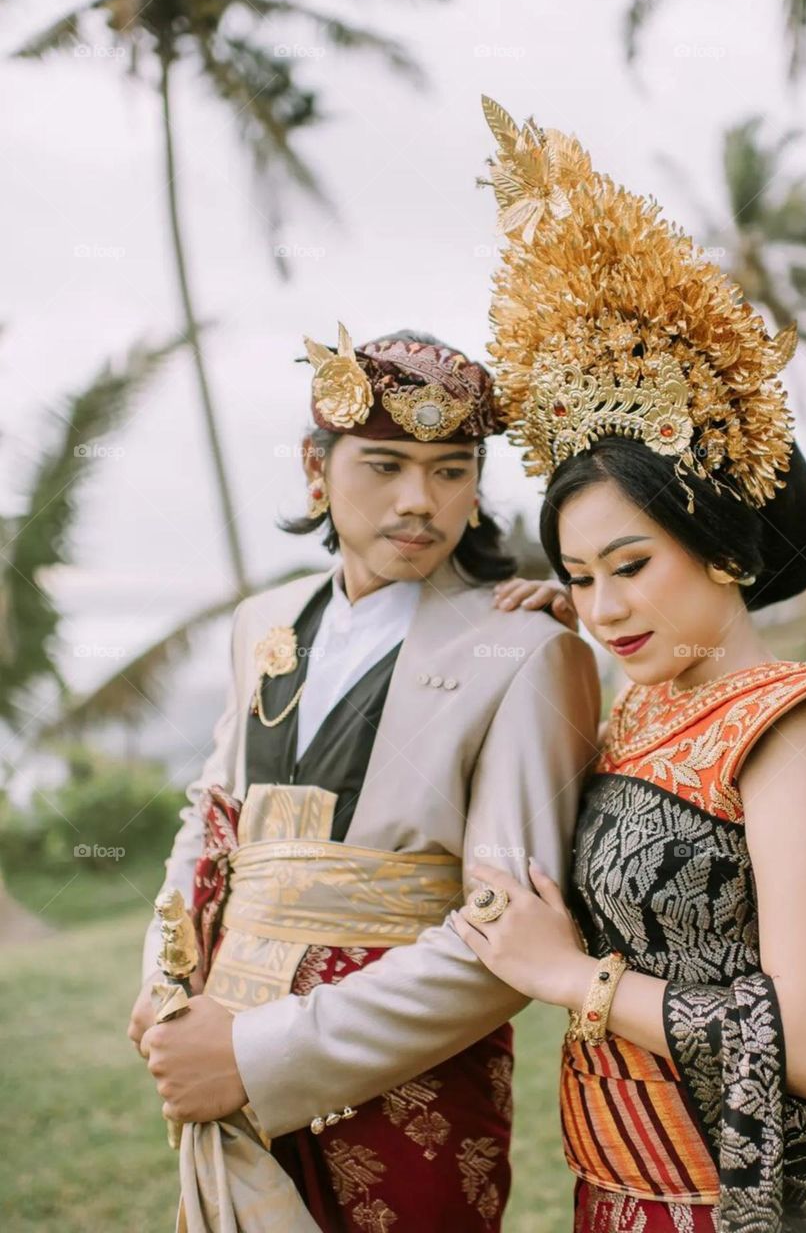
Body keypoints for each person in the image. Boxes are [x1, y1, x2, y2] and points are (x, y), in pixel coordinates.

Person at [453, 98, 806, 1233]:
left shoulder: (787, 736)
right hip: (611, 1190)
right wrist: (540, 626)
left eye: (628, 563)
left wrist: (563, 976)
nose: (604, 604)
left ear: (724, 547)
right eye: (578, 574)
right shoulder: (629, 713)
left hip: (741, 1202)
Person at [127, 324, 599, 1231]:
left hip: (406, 1091)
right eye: (383, 465)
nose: (419, 501)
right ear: (317, 469)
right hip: (220, 1032)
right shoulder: (261, 624)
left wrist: (258, 1055)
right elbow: (209, 826)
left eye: (451, 469)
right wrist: (166, 986)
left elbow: (506, 936)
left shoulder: (526, 649)